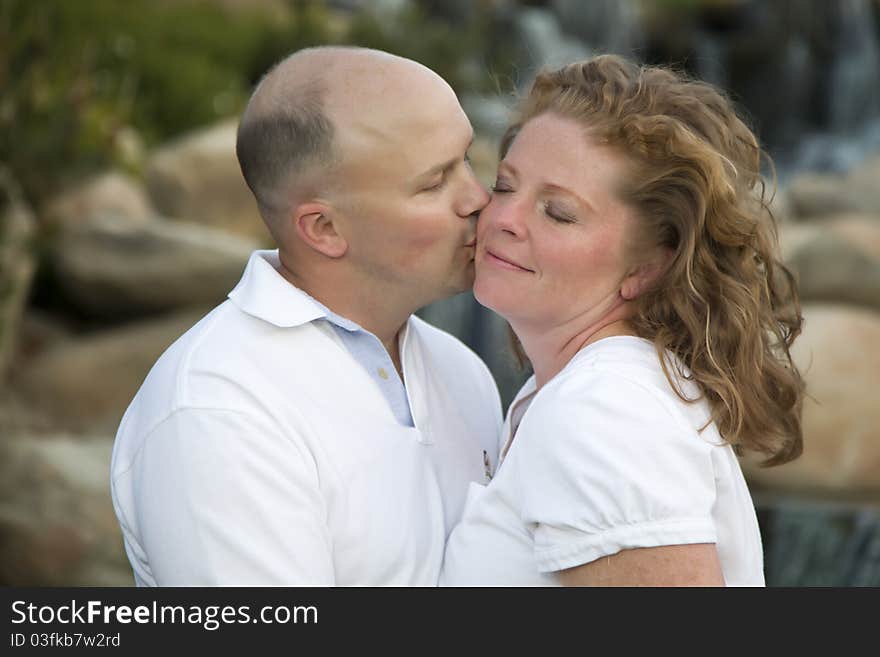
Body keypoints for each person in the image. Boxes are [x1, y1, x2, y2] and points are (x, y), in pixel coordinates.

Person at [110, 46, 503, 586]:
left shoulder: (462, 371)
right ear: (323, 229)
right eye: (434, 183)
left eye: (466, 159)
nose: (479, 199)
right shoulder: (219, 411)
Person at [440, 54, 805, 586]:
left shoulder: (603, 411)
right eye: (504, 185)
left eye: (558, 212)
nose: (503, 219)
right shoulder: (588, 389)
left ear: (648, 266)